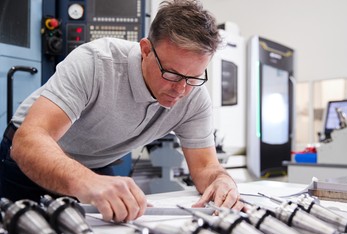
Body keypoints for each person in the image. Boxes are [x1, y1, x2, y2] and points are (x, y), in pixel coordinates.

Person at [0, 0, 244, 222]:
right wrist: (87, 182)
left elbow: (205, 167)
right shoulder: (96, 63)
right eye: (171, 74)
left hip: (93, 167)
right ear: (146, 50)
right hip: (29, 161)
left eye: (193, 77)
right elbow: (28, 141)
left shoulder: (195, 96)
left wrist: (221, 180)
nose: (180, 89)